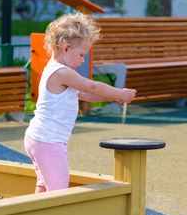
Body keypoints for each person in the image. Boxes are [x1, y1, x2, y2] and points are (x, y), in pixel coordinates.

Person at [24, 12, 137, 193]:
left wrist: (110, 97)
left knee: (45, 184)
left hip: (40, 139)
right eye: (82, 54)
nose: (83, 60)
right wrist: (121, 93)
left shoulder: (56, 71)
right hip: (48, 141)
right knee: (59, 189)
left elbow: (85, 95)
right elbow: (90, 87)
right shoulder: (62, 73)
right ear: (66, 48)